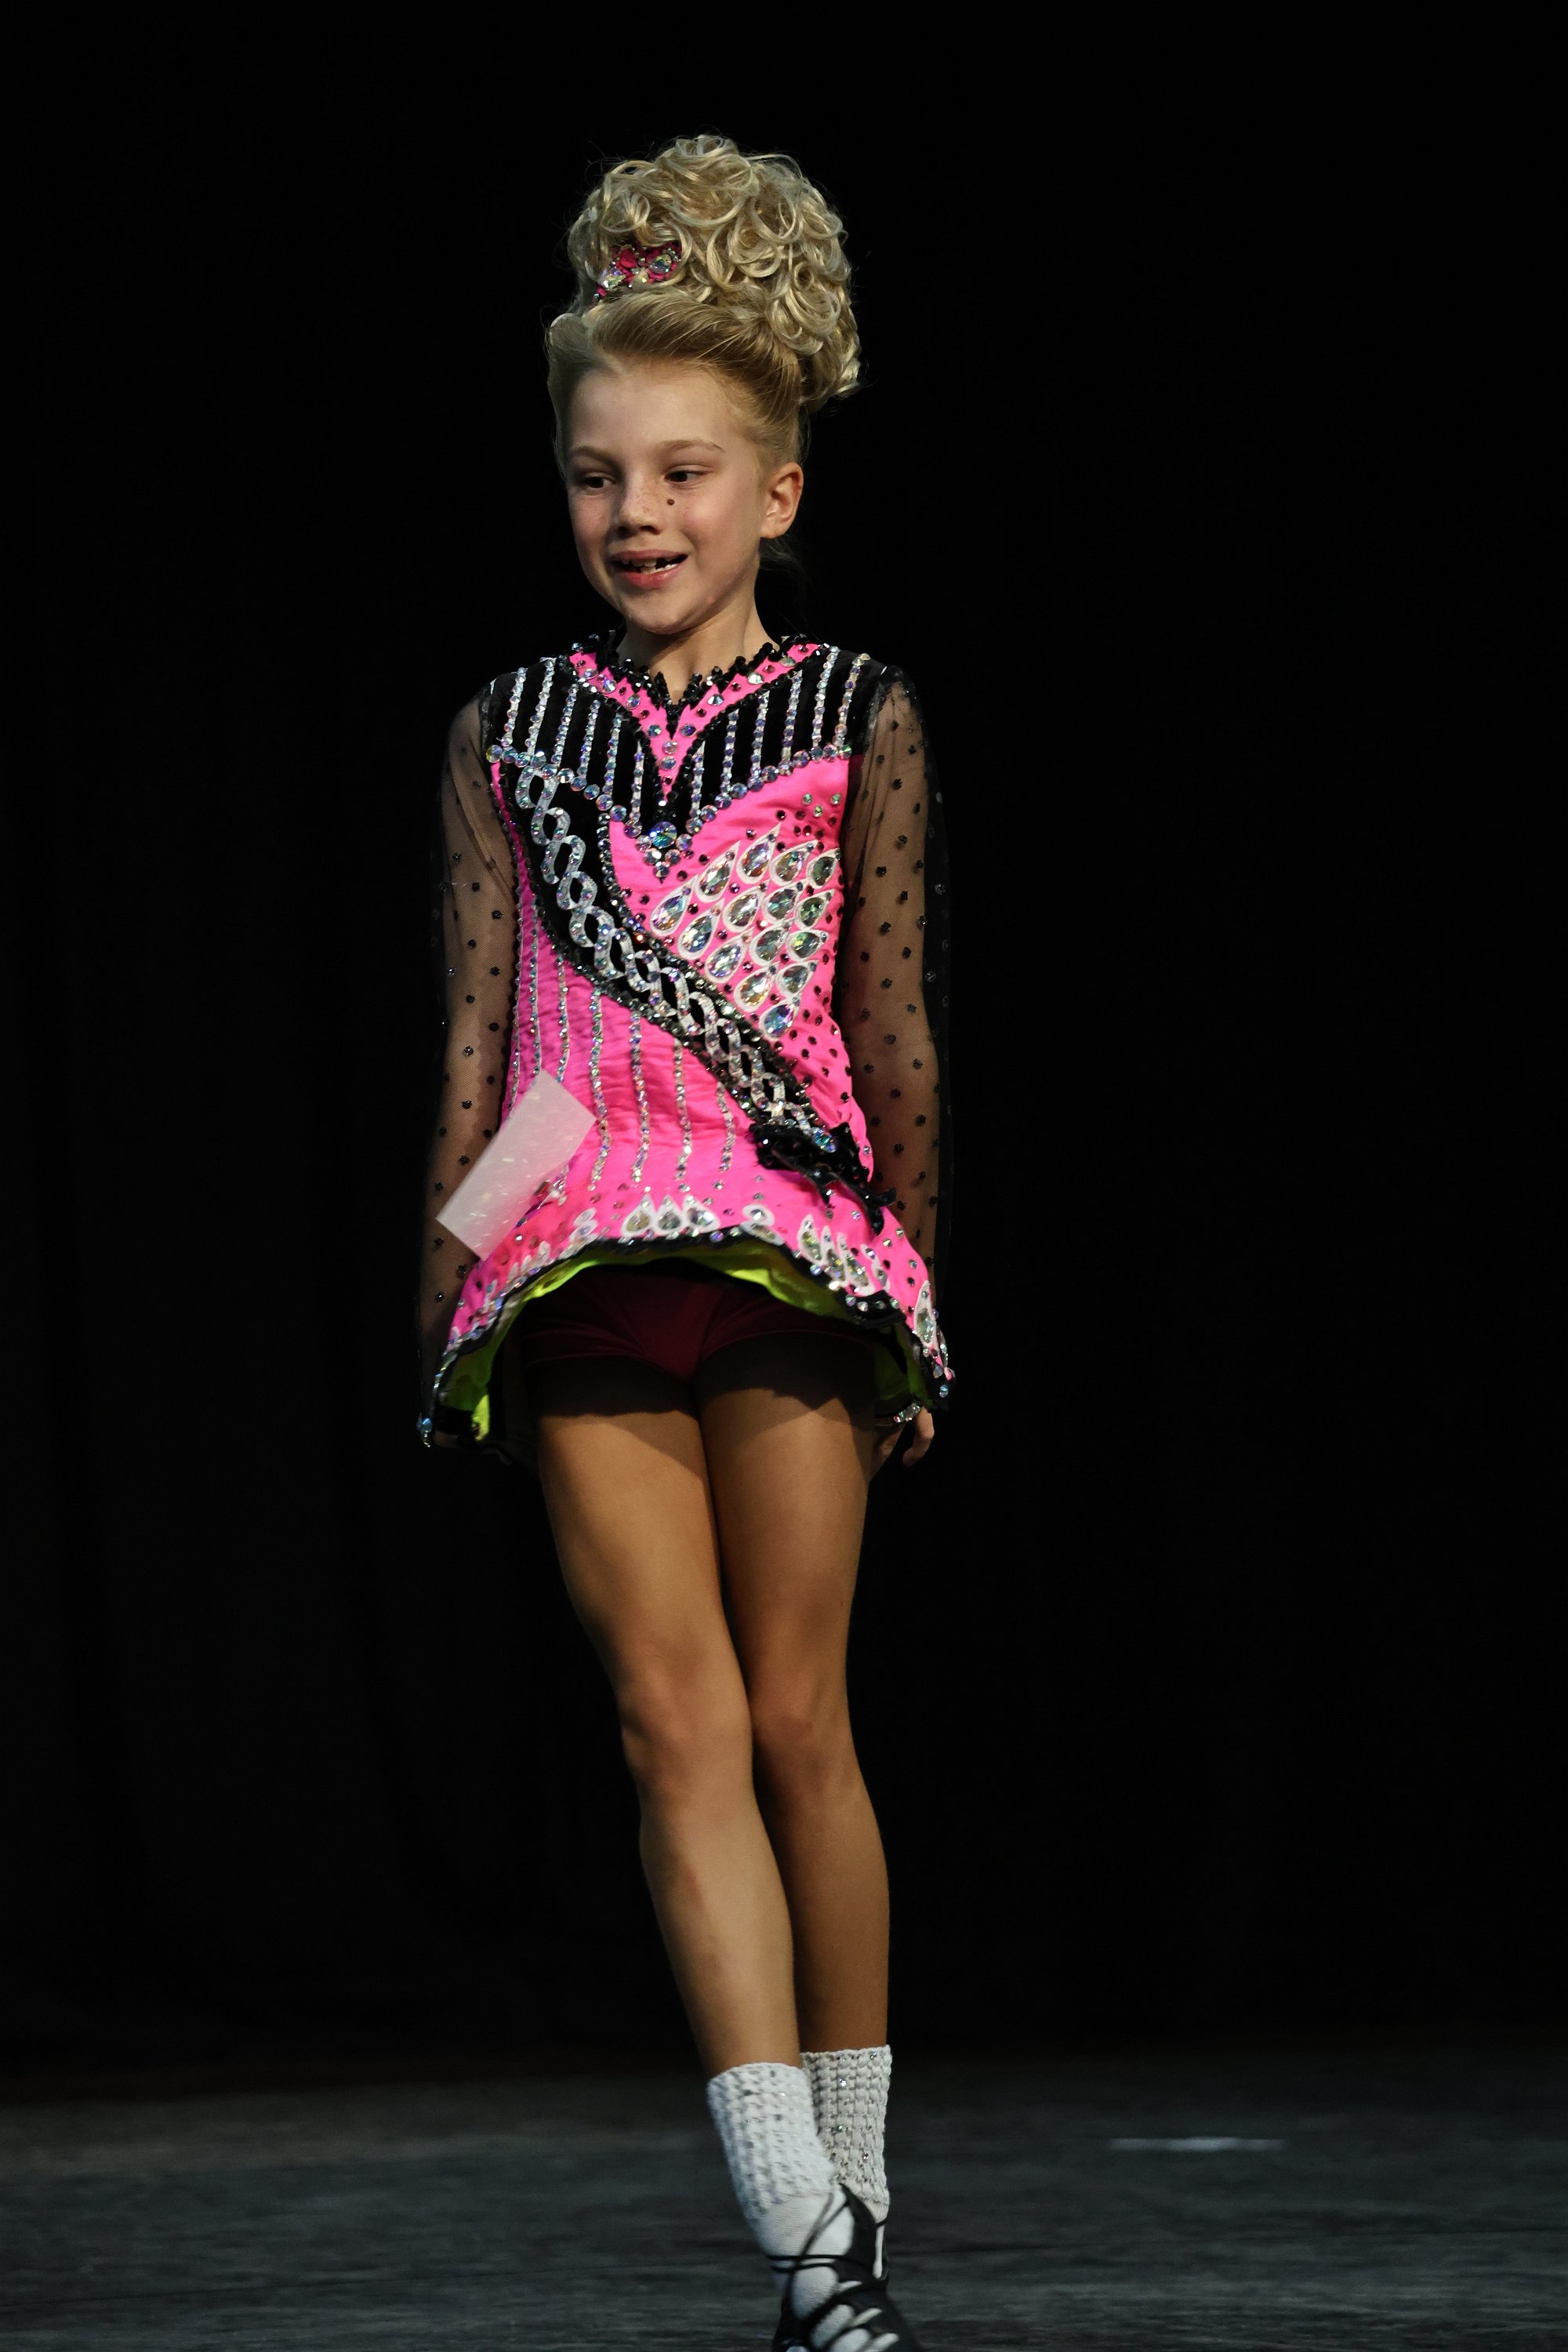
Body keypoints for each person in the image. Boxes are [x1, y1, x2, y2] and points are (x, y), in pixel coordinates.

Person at [418, 133, 953, 2351]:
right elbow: (488, 1040)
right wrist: (448, 1281)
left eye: (681, 472)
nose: (635, 513)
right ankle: (800, 2235)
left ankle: (864, 2183)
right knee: (670, 1723)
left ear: (774, 492)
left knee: (798, 1719)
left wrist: (918, 1290)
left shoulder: (856, 714)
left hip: (789, 1247)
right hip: (571, 1259)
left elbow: (886, 1024)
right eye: (596, 475)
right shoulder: (507, 731)